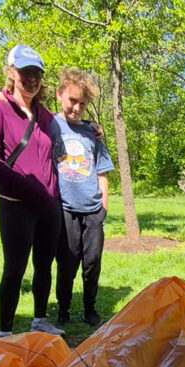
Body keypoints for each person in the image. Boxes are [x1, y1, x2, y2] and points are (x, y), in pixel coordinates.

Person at [0, 44, 65, 337]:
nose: (32, 79)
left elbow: (67, 132)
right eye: (26, 72)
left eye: (37, 73)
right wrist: (29, 189)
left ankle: (40, 319)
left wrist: (93, 127)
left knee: (44, 266)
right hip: (16, 204)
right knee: (14, 269)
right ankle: (6, 331)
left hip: (48, 206)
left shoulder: (47, 116)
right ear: (11, 72)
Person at [51, 69, 114, 327]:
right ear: (59, 95)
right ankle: (63, 310)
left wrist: (103, 207)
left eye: (83, 103)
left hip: (92, 210)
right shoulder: (51, 124)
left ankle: (90, 308)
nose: (76, 108)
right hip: (65, 209)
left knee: (92, 263)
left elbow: (102, 172)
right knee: (66, 264)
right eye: (72, 101)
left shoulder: (92, 133)